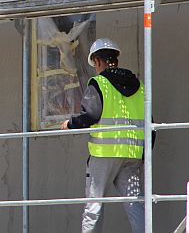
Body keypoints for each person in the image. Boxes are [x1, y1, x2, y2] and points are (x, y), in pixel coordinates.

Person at [61, 38, 145, 233]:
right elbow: (149, 122)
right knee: (135, 205)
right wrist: (143, 154)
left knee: (94, 206)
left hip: (104, 154)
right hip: (132, 154)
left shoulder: (99, 83)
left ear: (97, 61)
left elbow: (90, 115)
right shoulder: (139, 87)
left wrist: (70, 124)